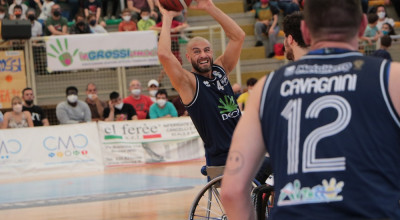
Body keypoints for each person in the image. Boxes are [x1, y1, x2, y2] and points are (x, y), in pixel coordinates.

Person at [221, 0, 400, 219]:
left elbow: (231, 191)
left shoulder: (265, 88)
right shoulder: (391, 78)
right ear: (363, 25)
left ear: (305, 31)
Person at [157, 0, 271, 184]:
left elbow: (238, 36)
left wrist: (210, 7)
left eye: (206, 50)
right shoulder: (189, 84)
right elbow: (164, 55)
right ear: (188, 57)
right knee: (281, 170)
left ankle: (266, 211)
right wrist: (167, 17)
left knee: (283, 167)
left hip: (247, 151)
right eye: (196, 52)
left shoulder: (220, 69)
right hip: (225, 160)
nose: (203, 55)